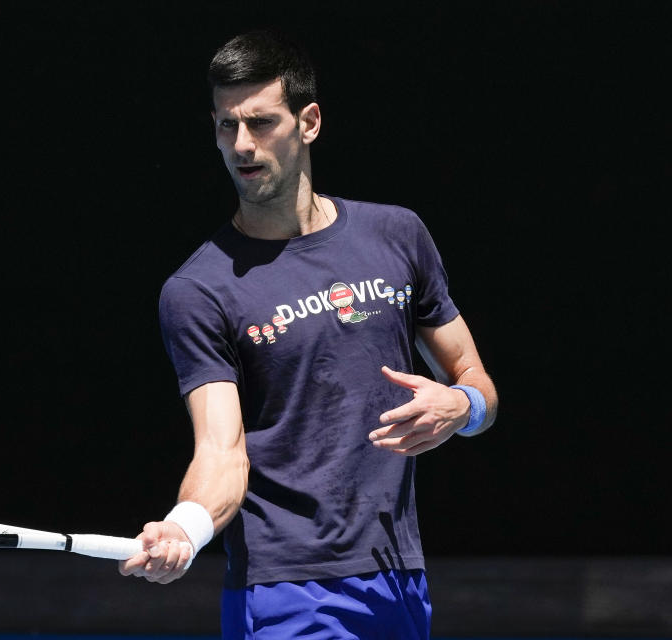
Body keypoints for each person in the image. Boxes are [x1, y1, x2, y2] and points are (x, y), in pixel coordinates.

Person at [119, 29, 498, 639]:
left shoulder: (397, 235)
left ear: (309, 122)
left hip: (399, 579)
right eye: (225, 126)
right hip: (287, 590)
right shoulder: (198, 290)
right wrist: (185, 527)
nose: (241, 144)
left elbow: (478, 384)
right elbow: (221, 452)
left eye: (261, 122)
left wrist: (464, 406)